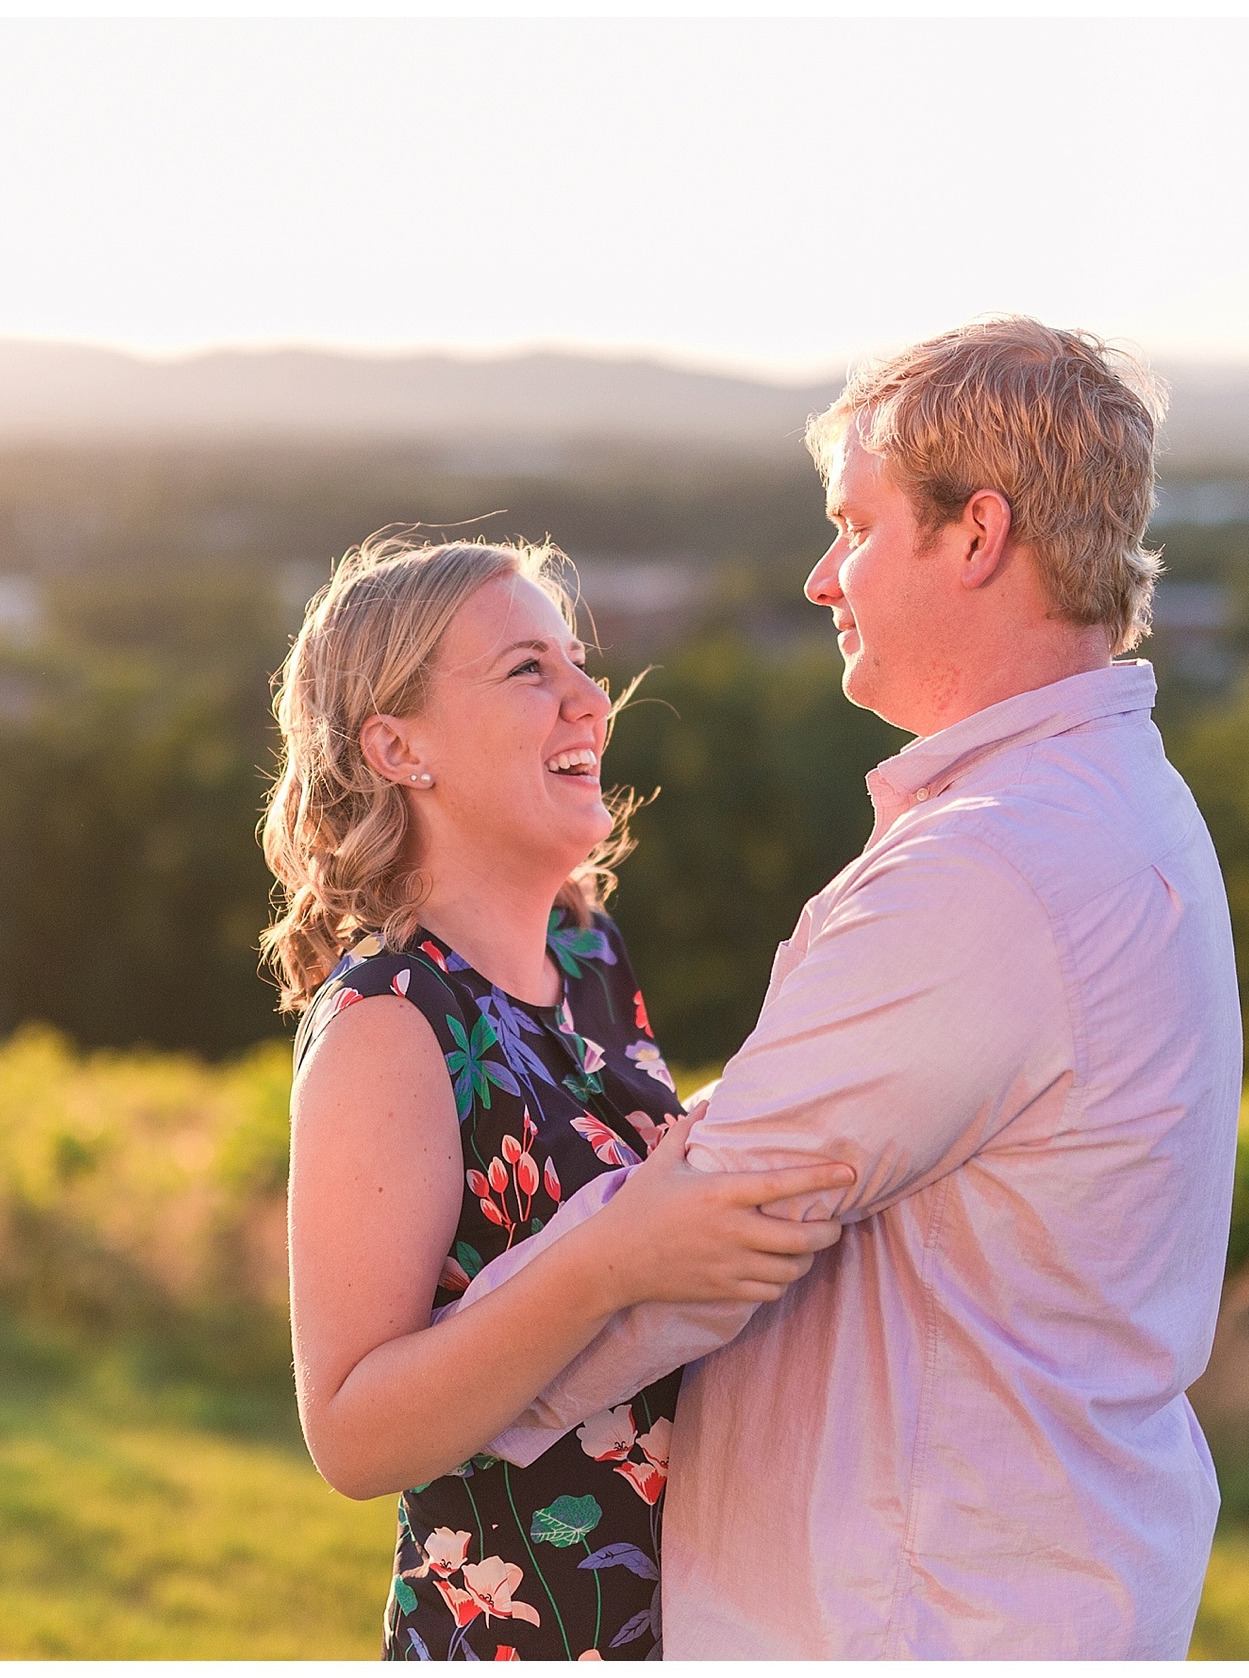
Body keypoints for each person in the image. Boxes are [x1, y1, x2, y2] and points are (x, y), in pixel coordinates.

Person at [441, 318, 1245, 1658]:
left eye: (856, 526)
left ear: (976, 534)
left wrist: (445, 1379)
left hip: (912, 1618)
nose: (823, 578)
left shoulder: (991, 869)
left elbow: (713, 1231)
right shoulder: (1110, 804)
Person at [261, 537, 858, 1661]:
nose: (591, 700)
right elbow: (350, 1430)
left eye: (577, 663)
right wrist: (614, 1261)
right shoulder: (392, 1022)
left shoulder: (588, 953)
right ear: (398, 746)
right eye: (528, 669)